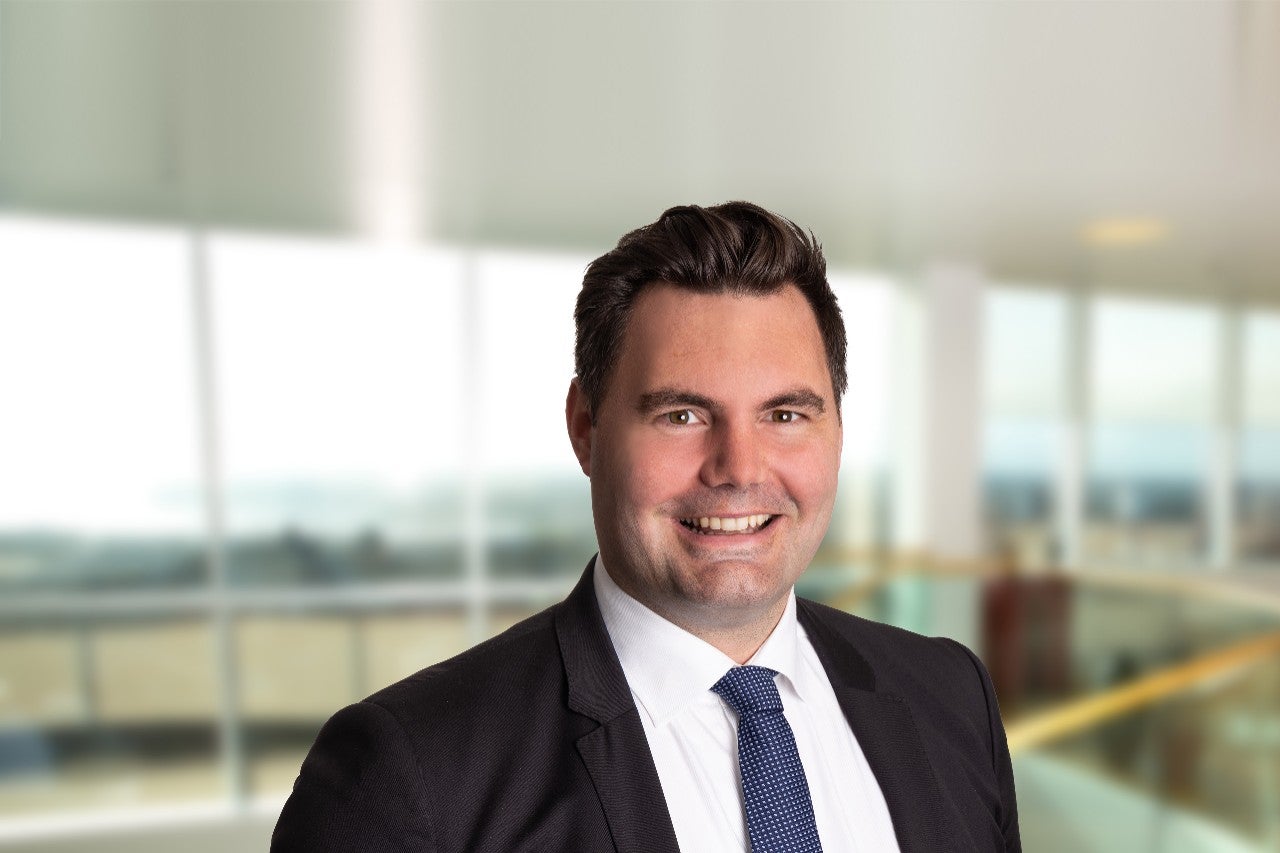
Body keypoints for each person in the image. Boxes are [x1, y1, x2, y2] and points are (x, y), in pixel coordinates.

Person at [272, 202, 1021, 852]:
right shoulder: (411, 777)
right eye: (682, 415)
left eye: (786, 414)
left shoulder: (949, 697)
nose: (738, 467)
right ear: (585, 428)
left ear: (838, 430)